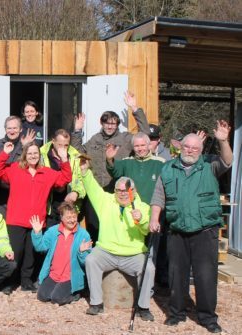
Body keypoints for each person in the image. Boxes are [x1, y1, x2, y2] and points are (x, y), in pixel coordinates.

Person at [149, 121, 232, 334]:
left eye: (195, 148)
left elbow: (228, 161)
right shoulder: (168, 168)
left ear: (201, 149)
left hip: (205, 231)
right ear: (180, 147)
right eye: (187, 147)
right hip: (177, 230)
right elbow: (159, 195)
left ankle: (207, 318)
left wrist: (223, 141)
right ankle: (176, 313)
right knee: (177, 274)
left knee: (205, 276)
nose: (190, 151)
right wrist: (154, 218)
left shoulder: (210, 165)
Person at [0, 140, 71, 293]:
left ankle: (26, 281)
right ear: (25, 155)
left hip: (36, 221)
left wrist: (64, 159)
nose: (33, 156)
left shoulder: (47, 173)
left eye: (36, 153)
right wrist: (5, 154)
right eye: (30, 153)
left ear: (39, 155)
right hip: (16, 219)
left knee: (31, 253)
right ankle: (9, 282)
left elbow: (66, 178)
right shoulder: (15, 169)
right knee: (16, 252)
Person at [79, 159, 154, 320]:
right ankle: (96, 303)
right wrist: (85, 172)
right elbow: (92, 188)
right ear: (114, 191)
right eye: (119, 190)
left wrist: (141, 220)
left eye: (126, 190)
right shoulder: (106, 201)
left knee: (149, 268)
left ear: (133, 190)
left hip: (133, 254)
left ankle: (143, 307)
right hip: (106, 251)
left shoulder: (143, 207)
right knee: (92, 259)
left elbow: (147, 230)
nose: (122, 193)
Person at [70, 91, 150, 243]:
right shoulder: (95, 139)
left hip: (116, 192)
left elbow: (145, 133)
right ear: (102, 123)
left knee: (116, 228)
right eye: (107, 123)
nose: (110, 126)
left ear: (117, 125)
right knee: (94, 228)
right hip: (96, 191)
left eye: (113, 123)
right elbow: (77, 151)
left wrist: (135, 108)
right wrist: (77, 131)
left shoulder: (125, 139)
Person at [106, 131, 166, 286]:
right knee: (134, 248)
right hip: (131, 214)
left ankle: (149, 287)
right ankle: (132, 284)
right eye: (137, 146)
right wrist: (110, 158)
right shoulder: (127, 162)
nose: (140, 148)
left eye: (142, 145)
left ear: (149, 145)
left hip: (152, 214)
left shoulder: (160, 163)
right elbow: (115, 170)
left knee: (151, 251)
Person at [31, 202, 92, 305]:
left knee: (57, 298)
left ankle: (77, 293)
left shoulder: (83, 234)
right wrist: (37, 233)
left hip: (70, 276)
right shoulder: (53, 231)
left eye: (74, 216)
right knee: (42, 296)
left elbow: (86, 262)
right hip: (54, 274)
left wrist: (82, 252)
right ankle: (58, 288)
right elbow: (40, 247)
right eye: (68, 217)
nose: (72, 220)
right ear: (61, 218)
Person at [0, 115, 37, 217]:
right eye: (9, 128)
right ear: (5, 129)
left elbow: (33, 165)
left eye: (15, 128)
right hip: (0, 193)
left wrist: (25, 147)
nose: (12, 131)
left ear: (20, 129)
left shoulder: (29, 145)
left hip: (20, 193)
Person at [40, 129, 86, 226]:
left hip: (68, 205)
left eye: (66, 145)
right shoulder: (42, 156)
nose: (63, 148)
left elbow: (81, 180)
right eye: (60, 145)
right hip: (48, 206)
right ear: (53, 141)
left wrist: (76, 192)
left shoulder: (75, 156)